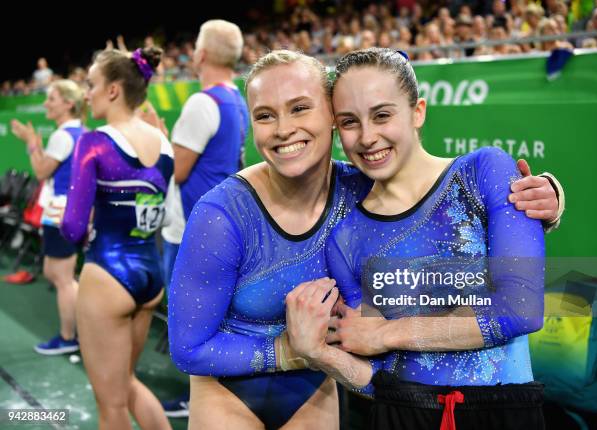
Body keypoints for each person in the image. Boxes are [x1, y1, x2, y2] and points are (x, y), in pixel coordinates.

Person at [168, 49, 563, 430]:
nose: (285, 128)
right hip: (241, 393)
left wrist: (544, 197)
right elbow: (190, 348)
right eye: (265, 115)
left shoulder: (379, 188)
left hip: (338, 392)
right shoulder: (234, 216)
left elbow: (517, 305)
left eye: (300, 107)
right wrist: (300, 352)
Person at [285, 48, 550, 430]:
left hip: (504, 411)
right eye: (349, 122)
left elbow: (521, 309)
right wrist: (318, 354)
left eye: (382, 115)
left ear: (417, 111)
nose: (367, 137)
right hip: (400, 414)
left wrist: (390, 332)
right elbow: (375, 376)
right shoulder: (345, 238)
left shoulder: (481, 173)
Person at [61, 47, 172, 430]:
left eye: (90, 84)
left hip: (109, 274)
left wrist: (80, 217)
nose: (85, 93)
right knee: (125, 384)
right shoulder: (165, 144)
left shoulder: (93, 142)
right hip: (151, 275)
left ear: (113, 90)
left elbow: (73, 229)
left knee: (110, 405)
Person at [160, 18, 248, 419]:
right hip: (218, 227)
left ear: (201, 54)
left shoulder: (202, 102)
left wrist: (159, 141)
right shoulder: (237, 98)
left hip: (190, 230)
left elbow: (176, 171)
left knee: (191, 325)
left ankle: (199, 402)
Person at [11, 79, 85, 355]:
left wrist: (31, 143)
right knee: (55, 272)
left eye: (52, 98)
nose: (46, 103)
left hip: (60, 211)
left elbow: (41, 171)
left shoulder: (64, 135)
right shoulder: (79, 132)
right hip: (66, 210)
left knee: (63, 277)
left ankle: (70, 337)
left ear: (68, 103)